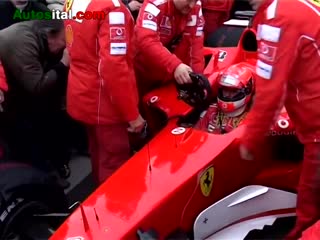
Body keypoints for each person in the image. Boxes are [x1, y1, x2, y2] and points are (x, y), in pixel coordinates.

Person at [239, 0, 320, 239]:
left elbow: (271, 90)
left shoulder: (278, 16)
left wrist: (250, 139)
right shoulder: (292, 6)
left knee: (310, 200)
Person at [64, 0, 146, 185]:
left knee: (97, 152)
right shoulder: (112, 9)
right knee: (113, 161)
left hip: (81, 93)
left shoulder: (73, 1)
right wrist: (132, 115)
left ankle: (98, 200)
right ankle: (114, 208)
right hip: (105, 102)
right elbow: (113, 68)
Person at [0, 19, 70, 187]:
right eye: (64, 42)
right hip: (13, 98)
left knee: (48, 117)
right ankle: (44, 177)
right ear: (50, 36)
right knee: (27, 134)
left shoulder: (41, 33)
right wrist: (63, 64)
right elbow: (36, 86)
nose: (65, 48)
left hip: (19, 84)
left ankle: (56, 163)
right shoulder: (23, 43)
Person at [134, 0, 205, 98]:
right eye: (189, 0)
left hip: (170, 75)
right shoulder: (154, 3)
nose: (192, 5)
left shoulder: (196, 6)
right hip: (141, 72)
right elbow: (146, 41)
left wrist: (198, 79)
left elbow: (196, 46)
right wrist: (174, 65)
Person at [194, 63, 254, 133]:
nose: (227, 95)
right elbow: (196, 134)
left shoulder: (250, 121)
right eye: (225, 89)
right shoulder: (212, 111)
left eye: (233, 91)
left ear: (246, 91)